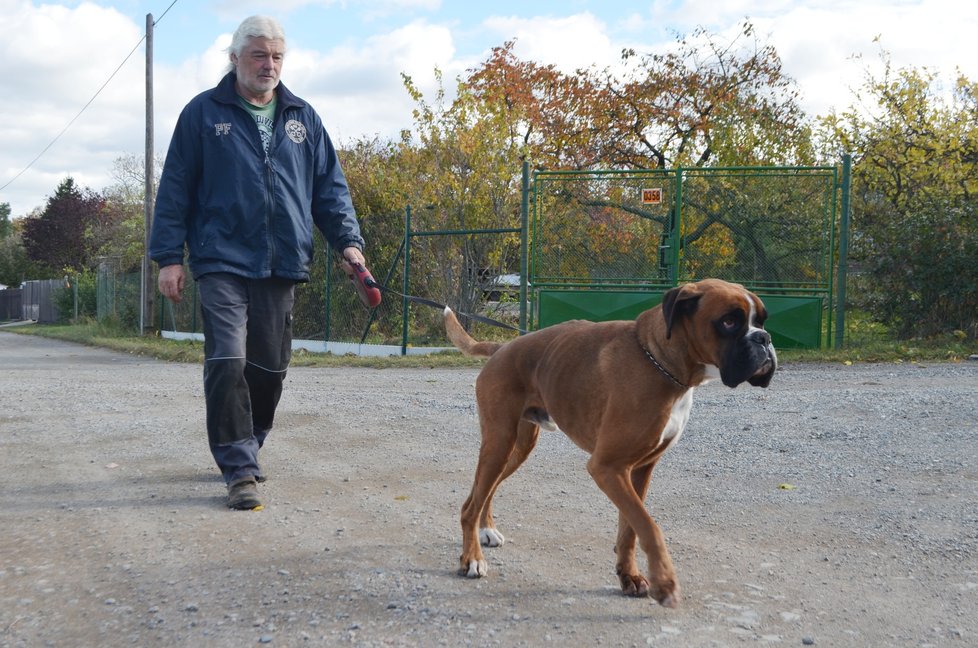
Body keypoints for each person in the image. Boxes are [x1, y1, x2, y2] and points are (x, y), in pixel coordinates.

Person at [149, 15, 367, 511]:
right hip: (221, 258)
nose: (269, 65)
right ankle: (239, 466)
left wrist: (349, 245)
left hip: (282, 260)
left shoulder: (302, 118)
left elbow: (330, 191)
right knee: (227, 360)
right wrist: (168, 257)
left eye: (276, 57)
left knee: (269, 369)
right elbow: (175, 189)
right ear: (234, 59)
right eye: (258, 55)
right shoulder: (203, 114)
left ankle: (248, 440)